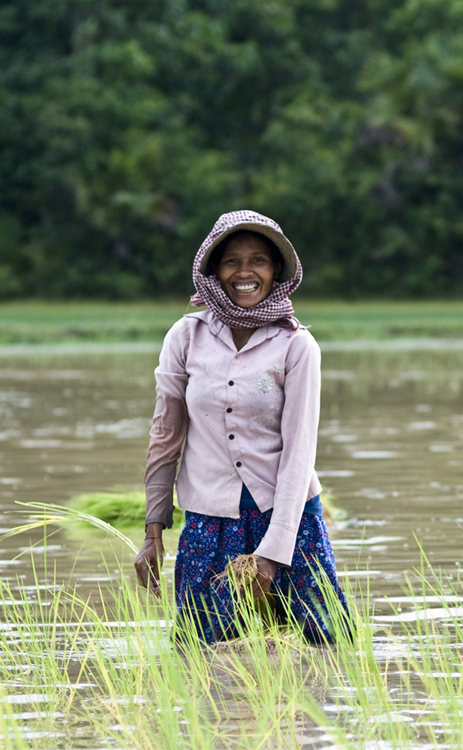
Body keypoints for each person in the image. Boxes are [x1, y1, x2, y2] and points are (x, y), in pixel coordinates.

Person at [134, 210, 348, 644]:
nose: (245, 272)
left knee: (328, 646)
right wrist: (153, 531)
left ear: (276, 272)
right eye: (232, 261)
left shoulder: (296, 344)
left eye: (259, 261)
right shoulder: (185, 336)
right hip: (210, 520)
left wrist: (273, 551)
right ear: (213, 271)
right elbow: (164, 438)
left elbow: (298, 452)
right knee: (196, 648)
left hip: (288, 516)